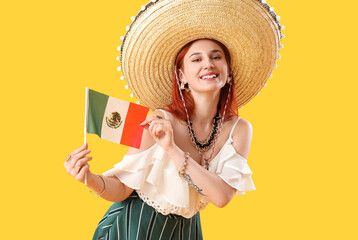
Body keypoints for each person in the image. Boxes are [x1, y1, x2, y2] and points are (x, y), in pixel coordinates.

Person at [64, 0, 283, 239]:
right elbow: (124, 188)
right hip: (134, 226)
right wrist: (90, 179)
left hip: (187, 230)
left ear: (228, 71)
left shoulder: (239, 129)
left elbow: (221, 197)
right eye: (196, 59)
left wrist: (171, 149)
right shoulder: (158, 121)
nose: (208, 64)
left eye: (216, 57)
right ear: (182, 76)